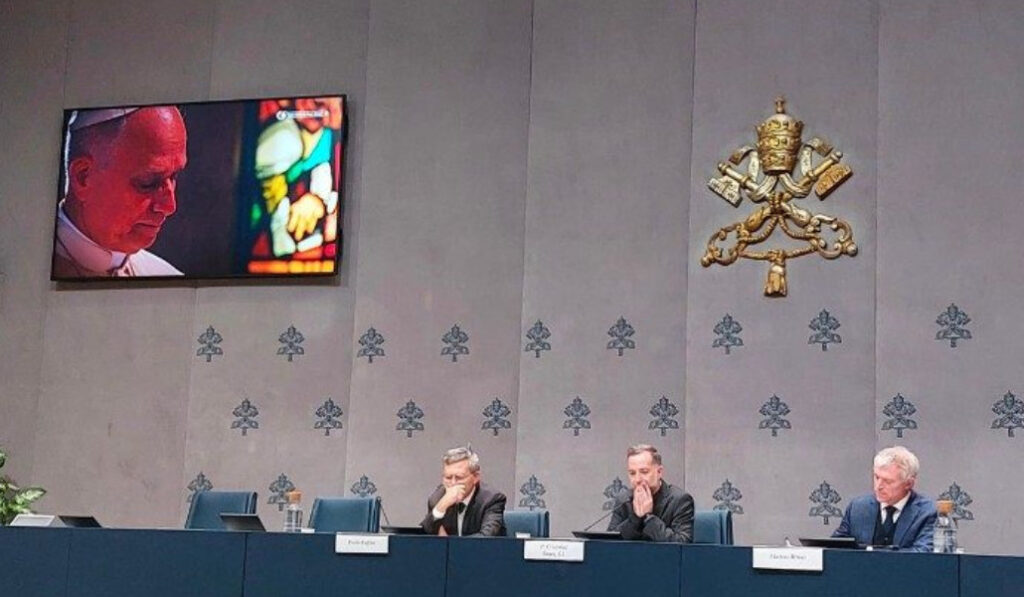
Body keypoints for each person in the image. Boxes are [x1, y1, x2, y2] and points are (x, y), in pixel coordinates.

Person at [53, 106, 188, 277]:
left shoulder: (169, 279)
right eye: (148, 182)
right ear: (83, 177)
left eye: (174, 176)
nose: (169, 206)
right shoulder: (28, 266)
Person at [832, 445, 936, 551]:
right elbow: (835, 549)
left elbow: (923, 555)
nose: (878, 486)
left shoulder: (928, 513)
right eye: (877, 477)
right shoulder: (857, 508)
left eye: (888, 481)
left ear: (909, 484)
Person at [608, 444, 694, 542]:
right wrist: (636, 518)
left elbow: (682, 544)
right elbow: (610, 542)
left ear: (659, 472)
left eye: (644, 472)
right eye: (632, 473)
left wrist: (648, 517)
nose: (637, 479)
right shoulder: (624, 500)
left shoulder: (680, 500)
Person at [420, 446, 506, 536]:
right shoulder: (437, 498)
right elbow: (426, 535)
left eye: (459, 478)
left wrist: (451, 544)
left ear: (476, 477)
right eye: (448, 478)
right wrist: (441, 506)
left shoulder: (492, 499)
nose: (453, 483)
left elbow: (486, 538)